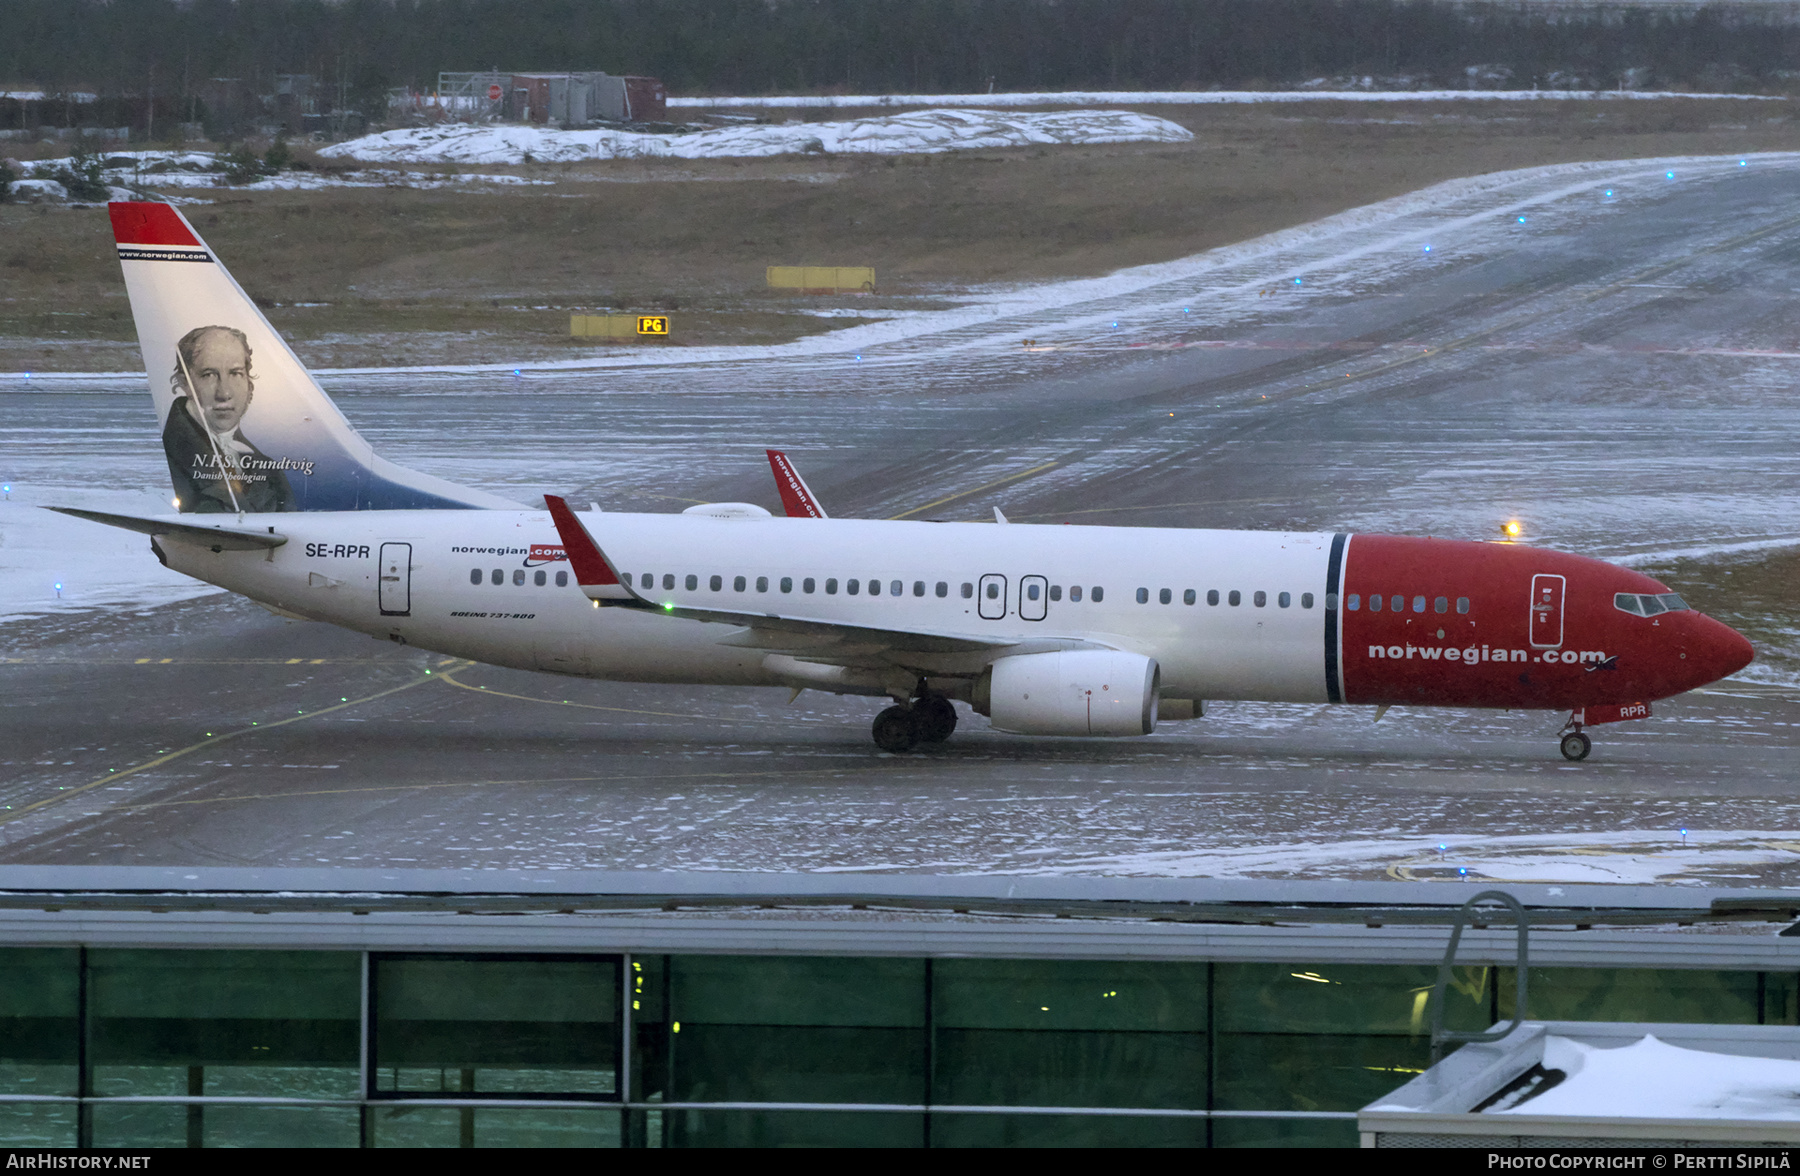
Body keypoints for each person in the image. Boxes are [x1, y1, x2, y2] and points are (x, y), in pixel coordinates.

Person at [162, 325, 296, 513]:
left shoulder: (271, 472)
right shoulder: (168, 457)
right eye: (209, 375)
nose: (224, 393)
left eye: (235, 374)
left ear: (249, 383)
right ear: (185, 383)